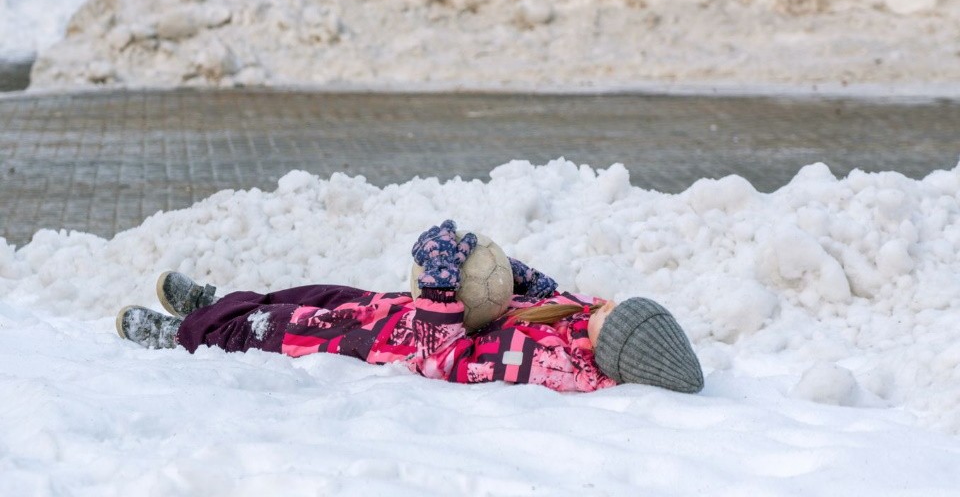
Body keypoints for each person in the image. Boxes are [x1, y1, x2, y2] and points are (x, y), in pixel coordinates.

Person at [116, 220, 704, 394]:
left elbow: (448, 359)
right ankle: (216, 304)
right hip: (395, 310)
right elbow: (539, 293)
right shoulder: (577, 317)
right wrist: (507, 272)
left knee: (274, 331)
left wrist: (445, 286)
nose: (607, 303)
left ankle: (183, 335)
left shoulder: (555, 364)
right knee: (304, 295)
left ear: (616, 346)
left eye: (616, 313)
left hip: (384, 342)